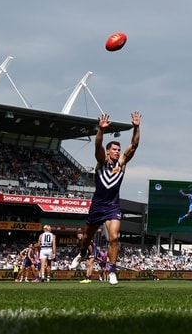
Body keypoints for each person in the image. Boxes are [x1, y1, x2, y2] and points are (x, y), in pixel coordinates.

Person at [69, 111, 141, 286]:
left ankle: (112, 271)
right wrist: (100, 130)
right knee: (86, 238)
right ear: (108, 152)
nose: (117, 152)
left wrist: (136, 127)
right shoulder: (101, 162)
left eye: (118, 150)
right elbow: (98, 146)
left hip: (113, 206)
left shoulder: (121, 164)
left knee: (114, 238)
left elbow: (134, 145)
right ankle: (82, 252)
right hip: (97, 206)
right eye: (114, 150)